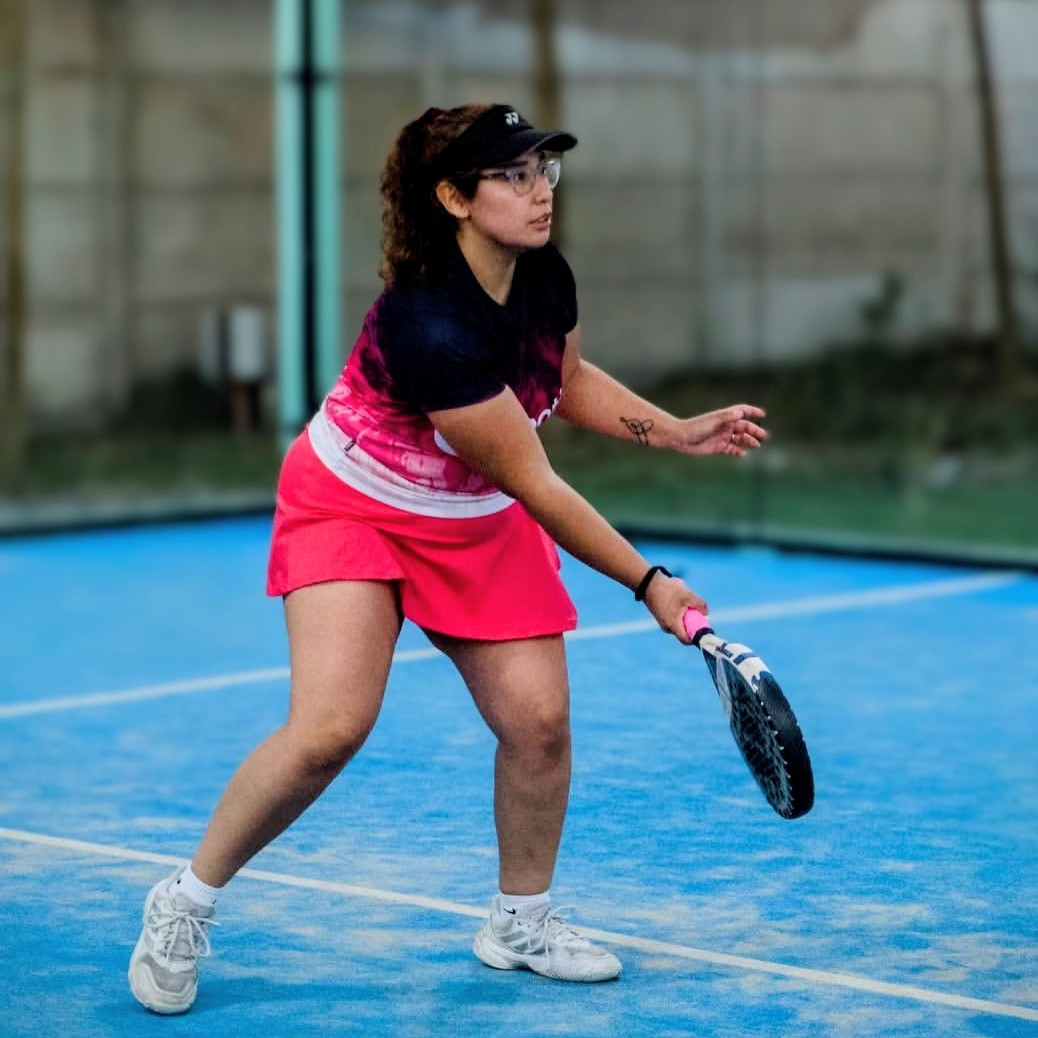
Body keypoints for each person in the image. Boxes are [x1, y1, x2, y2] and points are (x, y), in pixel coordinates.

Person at [128, 102, 767, 1014]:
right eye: (513, 176)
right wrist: (651, 583)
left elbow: (565, 379)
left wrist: (673, 430)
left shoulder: (544, 275)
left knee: (539, 724)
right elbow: (539, 484)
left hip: (470, 515)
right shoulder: (429, 327)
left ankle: (520, 921)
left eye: (544, 170)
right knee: (330, 728)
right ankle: (184, 901)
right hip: (353, 505)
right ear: (454, 198)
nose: (540, 191)